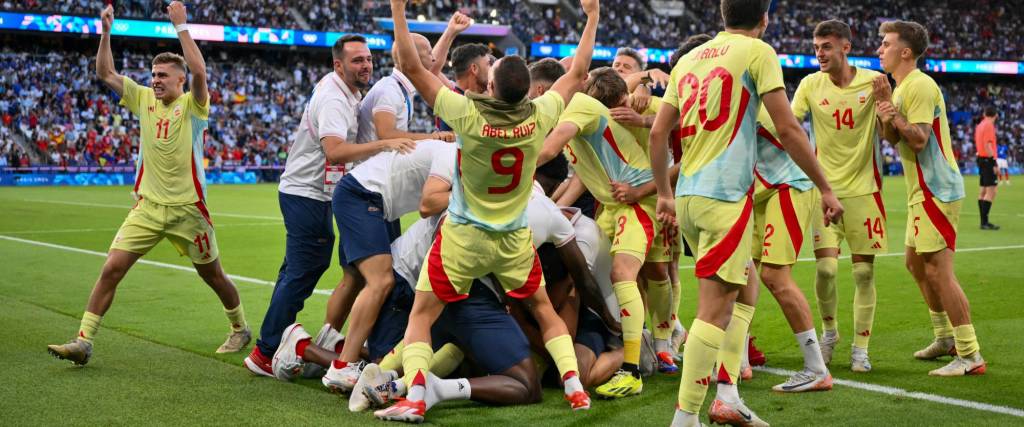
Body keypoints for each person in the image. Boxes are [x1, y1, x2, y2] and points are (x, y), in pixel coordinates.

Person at [374, 0, 600, 421]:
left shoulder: (466, 114)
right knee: (544, 310)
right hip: (513, 238)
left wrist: (399, 10)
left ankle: (416, 396)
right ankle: (573, 386)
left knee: (422, 315)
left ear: (492, 87)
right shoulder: (540, 115)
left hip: (465, 236)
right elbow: (578, 71)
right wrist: (591, 17)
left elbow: (410, 64)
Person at [647, 0, 843, 425]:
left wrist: (663, 193)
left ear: (722, 15)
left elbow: (661, 131)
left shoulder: (690, 59)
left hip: (689, 199)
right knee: (714, 309)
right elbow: (789, 128)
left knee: (747, 288)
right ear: (765, 18)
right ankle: (686, 418)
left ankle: (729, 394)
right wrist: (827, 187)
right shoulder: (758, 52)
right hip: (727, 197)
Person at [47, 2, 250, 365]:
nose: (155, 80)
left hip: (189, 210)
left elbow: (201, 71)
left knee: (213, 276)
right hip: (148, 206)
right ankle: (83, 341)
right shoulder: (142, 98)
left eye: (162, 75)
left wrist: (182, 26)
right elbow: (105, 71)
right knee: (111, 268)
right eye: (153, 74)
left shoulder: (193, 105)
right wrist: (106, 31)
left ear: (179, 80)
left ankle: (239, 328)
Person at [243, 33, 416, 376]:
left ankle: (283, 342)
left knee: (301, 268)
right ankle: (266, 351)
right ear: (339, 65)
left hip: (317, 192)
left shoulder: (347, 91)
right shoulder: (335, 98)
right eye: (357, 60)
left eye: (367, 59)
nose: (366, 65)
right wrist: (385, 144)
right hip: (306, 192)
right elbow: (335, 150)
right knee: (304, 268)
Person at [540, 66, 674, 398]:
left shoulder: (582, 107)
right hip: (612, 204)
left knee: (624, 273)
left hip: (639, 201)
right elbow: (581, 174)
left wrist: (510, 165)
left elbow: (548, 150)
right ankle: (630, 340)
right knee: (592, 272)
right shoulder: (583, 110)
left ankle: (633, 368)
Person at [873, 20, 986, 376]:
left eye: (886, 44)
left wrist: (891, 110)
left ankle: (970, 355)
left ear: (905, 52)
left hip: (936, 190)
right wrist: (883, 107)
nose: (880, 49)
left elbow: (918, 138)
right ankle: (945, 338)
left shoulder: (920, 85)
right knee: (916, 265)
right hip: (920, 192)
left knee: (939, 271)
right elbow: (892, 138)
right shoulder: (902, 87)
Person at [791, 19, 887, 373]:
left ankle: (861, 349)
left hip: (865, 192)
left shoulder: (873, 82)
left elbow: (889, 132)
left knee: (863, 274)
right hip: (823, 192)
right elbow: (787, 122)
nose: (820, 53)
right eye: (816, 47)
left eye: (826, 46)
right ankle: (829, 333)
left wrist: (887, 104)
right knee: (827, 269)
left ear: (846, 47)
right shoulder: (809, 85)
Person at [751, 106, 833, 392]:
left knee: (774, 276)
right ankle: (735, 358)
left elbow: (791, 132)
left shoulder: (754, 103)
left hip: (786, 185)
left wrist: (826, 190)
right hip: (757, 193)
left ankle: (816, 368)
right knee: (739, 272)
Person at [974, 107, 999, 230]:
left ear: (984, 113)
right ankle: (984, 222)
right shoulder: (989, 125)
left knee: (983, 191)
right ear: (996, 115)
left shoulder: (980, 125)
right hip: (987, 160)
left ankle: (983, 221)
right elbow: (988, 145)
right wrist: (994, 162)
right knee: (991, 191)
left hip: (981, 159)